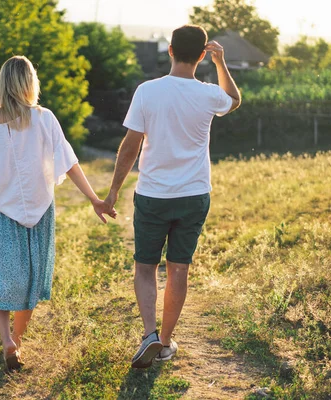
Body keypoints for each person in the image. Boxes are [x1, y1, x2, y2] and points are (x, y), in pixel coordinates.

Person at [0, 55, 116, 371]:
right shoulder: (44, 118)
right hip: (39, 213)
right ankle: (18, 339)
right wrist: (95, 199)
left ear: (2, 83)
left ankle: (6, 342)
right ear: (31, 83)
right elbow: (68, 162)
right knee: (29, 280)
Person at [103, 25, 241, 368]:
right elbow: (234, 100)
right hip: (194, 195)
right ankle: (164, 342)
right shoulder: (209, 93)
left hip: (152, 195)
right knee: (179, 269)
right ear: (200, 55)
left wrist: (114, 190)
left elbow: (130, 146)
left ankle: (149, 333)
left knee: (145, 266)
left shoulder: (147, 91)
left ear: (169, 50)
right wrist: (221, 62)